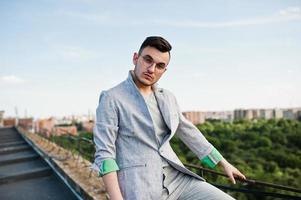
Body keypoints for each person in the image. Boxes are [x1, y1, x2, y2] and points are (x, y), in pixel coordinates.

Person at [93, 36, 246, 200]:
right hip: (140, 187)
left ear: (164, 71)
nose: (151, 69)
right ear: (135, 58)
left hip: (178, 180)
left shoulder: (167, 97)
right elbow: (105, 155)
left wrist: (223, 163)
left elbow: (189, 132)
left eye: (159, 66)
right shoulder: (112, 98)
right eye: (148, 60)